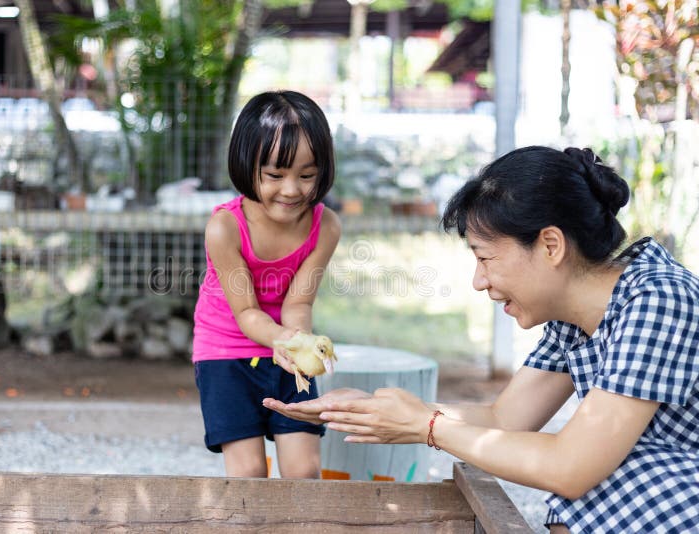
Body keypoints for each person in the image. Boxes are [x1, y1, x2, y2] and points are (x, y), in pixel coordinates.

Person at [264, 146, 699, 532]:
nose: (479, 281)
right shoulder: (575, 314)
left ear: (550, 246)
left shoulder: (658, 299)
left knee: (613, 473)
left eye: (485, 257)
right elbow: (503, 419)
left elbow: (572, 466)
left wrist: (426, 427)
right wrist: (371, 408)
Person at [192, 90, 341, 479]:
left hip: (285, 345)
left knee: (304, 472)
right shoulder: (224, 228)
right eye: (275, 175)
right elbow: (245, 312)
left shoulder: (325, 226)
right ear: (247, 166)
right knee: (249, 474)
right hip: (226, 353)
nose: (292, 190)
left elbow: (298, 305)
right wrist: (281, 340)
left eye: (307, 175)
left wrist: (299, 344)